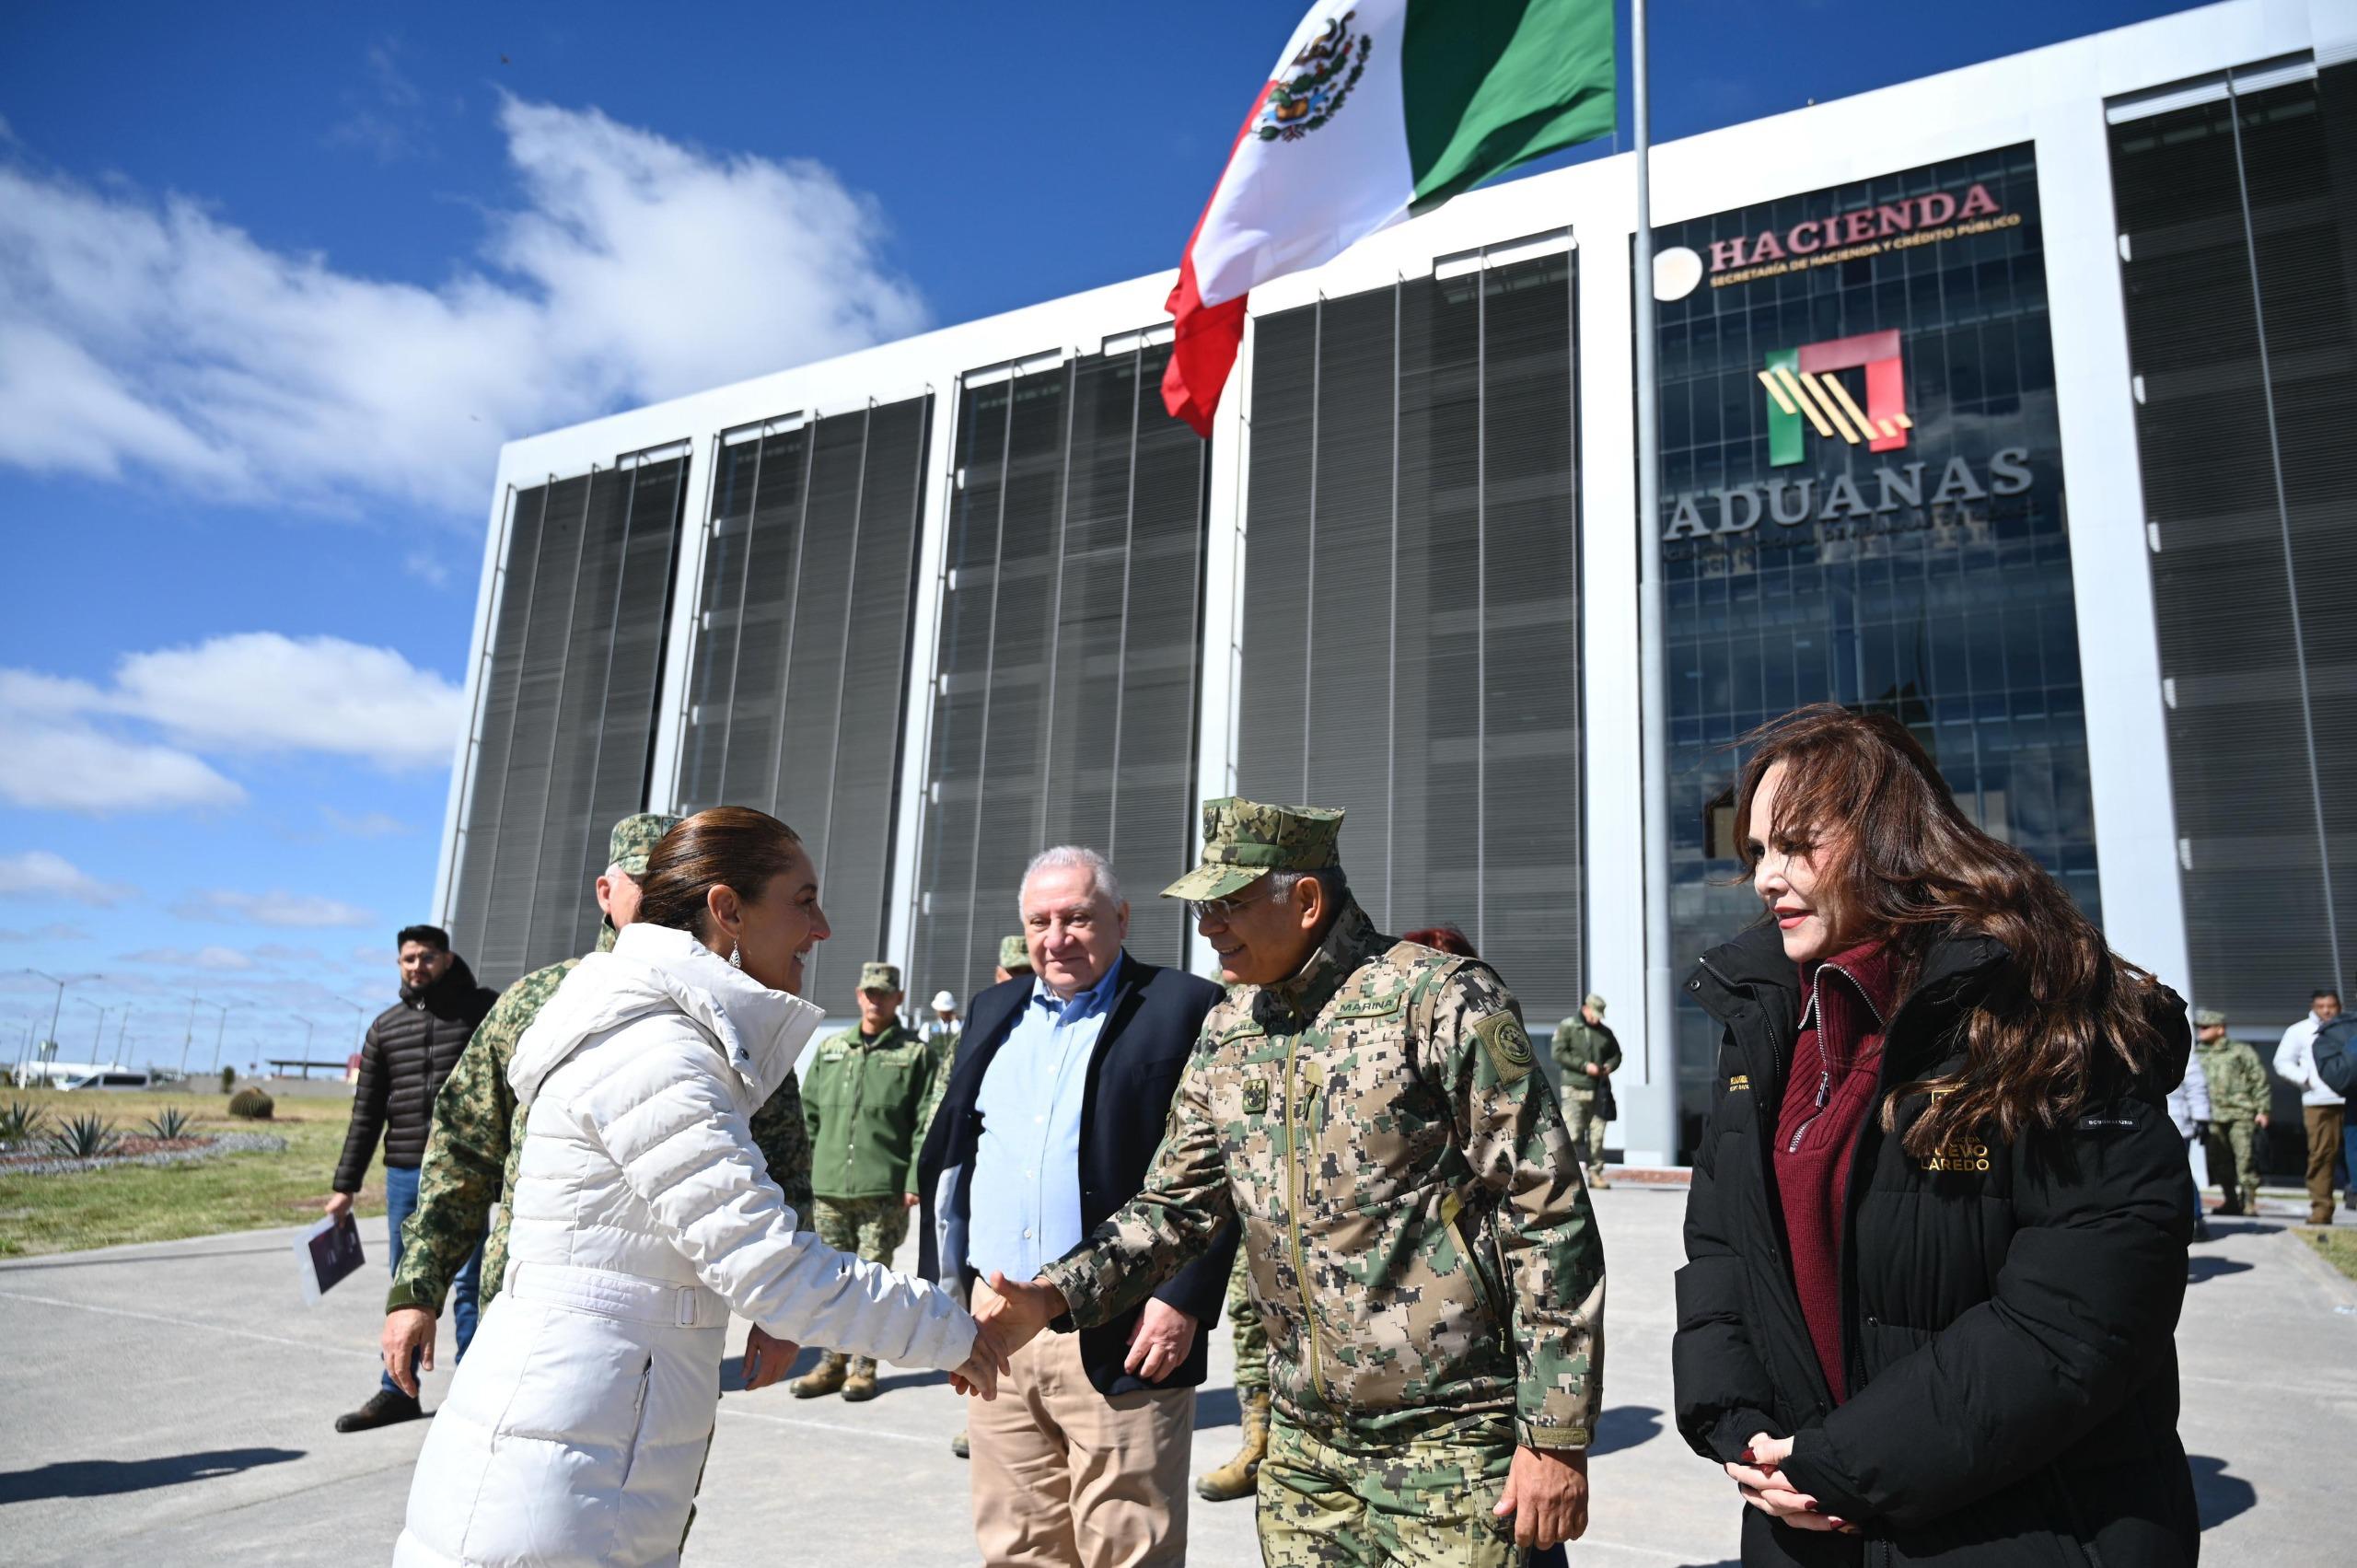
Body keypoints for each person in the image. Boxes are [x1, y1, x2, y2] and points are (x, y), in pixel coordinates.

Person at [977, 800, 1605, 1565]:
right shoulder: (1231, 1026)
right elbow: (1176, 1205)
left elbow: (1546, 1210)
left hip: (1453, 1442)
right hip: (1305, 1453)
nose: (1208, 926)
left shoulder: (1438, 1000)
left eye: (1230, 903)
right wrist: (1050, 1295)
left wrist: (1557, 1434)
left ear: (1306, 901)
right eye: (1203, 906)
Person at [390, 807, 1004, 1568]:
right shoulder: (656, 1049)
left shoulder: (679, 1033)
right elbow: (773, 1269)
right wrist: (956, 1331)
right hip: (557, 1477)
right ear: (727, 910)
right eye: (803, 899)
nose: (823, 928)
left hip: (592, 1449)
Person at [1673, 705, 2197, 1566]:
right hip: (1804, 1515)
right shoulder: (1764, 1024)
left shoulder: (2035, 1007)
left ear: (1889, 839)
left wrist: (1844, 1464)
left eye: (1797, 843)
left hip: (2022, 1526)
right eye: (1757, 851)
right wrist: (1745, 1432)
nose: (1769, 877)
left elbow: (2081, 1310)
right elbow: (1721, 1253)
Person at [380, 817, 818, 1418]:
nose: (664, 894)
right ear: (607, 892)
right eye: (647, 879)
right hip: (529, 1304)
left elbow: (786, 1160)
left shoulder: (738, 1016)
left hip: (675, 1318)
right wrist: (417, 1288)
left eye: (678, 878)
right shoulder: (541, 999)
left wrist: (782, 1309)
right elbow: (464, 1146)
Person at [918, 846, 1231, 1567]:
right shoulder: (992, 1009)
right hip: (995, 1328)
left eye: (1078, 917)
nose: (1057, 938)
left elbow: (1223, 1168)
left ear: (1120, 919)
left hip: (1126, 1327)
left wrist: (1183, 1298)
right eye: (1040, 921)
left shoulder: (1185, 1007)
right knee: (1017, 1541)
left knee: (1128, 1544)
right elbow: (956, 1155)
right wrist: (945, 1294)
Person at [328, 923, 496, 1434]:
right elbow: (367, 1113)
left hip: (466, 1172)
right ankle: (397, 1390)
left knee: (468, 1283)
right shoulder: (385, 1028)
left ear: (446, 958)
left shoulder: (481, 1012)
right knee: (407, 1284)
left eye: (426, 957)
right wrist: (345, 1185)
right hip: (404, 1171)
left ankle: (476, 1391)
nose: (416, 966)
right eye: (408, 959)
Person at [792, 960, 935, 1402]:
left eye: (884, 994)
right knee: (831, 1282)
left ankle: (863, 1367)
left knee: (872, 1282)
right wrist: (802, 1175)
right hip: (829, 1188)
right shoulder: (832, 1050)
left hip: (883, 1191)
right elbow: (807, 1118)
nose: (876, 1001)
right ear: (859, 997)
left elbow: (924, 1123)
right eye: (869, 993)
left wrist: (914, 1179)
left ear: (898, 999)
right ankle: (831, 1363)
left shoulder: (915, 1055)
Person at [2273, 989, 2346, 1225]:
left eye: (2331, 1006)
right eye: (2321, 1006)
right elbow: (2282, 1062)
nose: (2326, 1010)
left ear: (2339, 1006)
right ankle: (2322, 1209)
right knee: (2321, 1156)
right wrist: (2306, 1079)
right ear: (2313, 1006)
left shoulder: (2349, 1027)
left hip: (2350, 1098)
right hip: (2319, 1102)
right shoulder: (2299, 1031)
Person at [2194, 1008, 2270, 1216]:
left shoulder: (2240, 1051)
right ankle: (2230, 1200)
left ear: (2220, 1028)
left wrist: (2263, 1110)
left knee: (2245, 1159)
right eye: (2199, 1027)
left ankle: (2249, 1202)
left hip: (2241, 1114)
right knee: (2219, 1162)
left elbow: (2259, 1080)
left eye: (2205, 1027)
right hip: (2212, 1116)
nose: (2200, 1031)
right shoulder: (2197, 1054)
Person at [1550, 993, 1621, 1190]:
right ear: (1585, 1009)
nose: (1597, 1019)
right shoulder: (1568, 1027)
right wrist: (1583, 1066)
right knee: (1572, 1133)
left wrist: (1609, 1066)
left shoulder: (1605, 1033)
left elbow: (1617, 1055)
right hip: (1575, 1088)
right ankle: (1566, 1176)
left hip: (1599, 1091)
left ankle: (1595, 1174)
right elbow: (1558, 1053)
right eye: (1595, 1014)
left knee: (1597, 1135)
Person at [2164, 1044, 2212, 1244]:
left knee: (2181, 1174)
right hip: (2149, 1122)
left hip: (2179, 1124)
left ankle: (2196, 1217)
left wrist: (2201, 1118)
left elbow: (2195, 1084)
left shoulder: (2175, 1044)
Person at [916, 988, 963, 1145]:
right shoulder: (928, 1027)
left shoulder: (959, 1025)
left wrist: (956, 1023)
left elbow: (962, 1040)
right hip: (934, 1072)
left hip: (953, 1073)